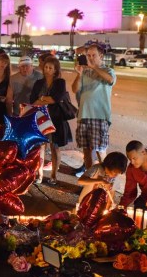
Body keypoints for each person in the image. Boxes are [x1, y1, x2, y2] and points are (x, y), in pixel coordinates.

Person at [71, 44, 116, 172]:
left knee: (100, 151)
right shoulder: (85, 72)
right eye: (88, 55)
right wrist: (79, 74)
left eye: (93, 55)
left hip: (99, 116)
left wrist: (94, 67)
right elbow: (75, 89)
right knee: (87, 150)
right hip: (83, 115)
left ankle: (106, 179)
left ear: (101, 56)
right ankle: (90, 178)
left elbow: (110, 80)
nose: (90, 58)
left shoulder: (108, 71)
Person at [30, 57, 73, 185]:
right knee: (40, 146)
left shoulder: (60, 82)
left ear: (55, 70)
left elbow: (57, 98)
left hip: (56, 119)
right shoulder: (39, 83)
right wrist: (47, 99)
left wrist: (42, 98)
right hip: (41, 118)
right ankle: (39, 174)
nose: (47, 70)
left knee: (55, 147)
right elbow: (33, 100)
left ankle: (54, 175)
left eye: (50, 68)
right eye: (46, 67)